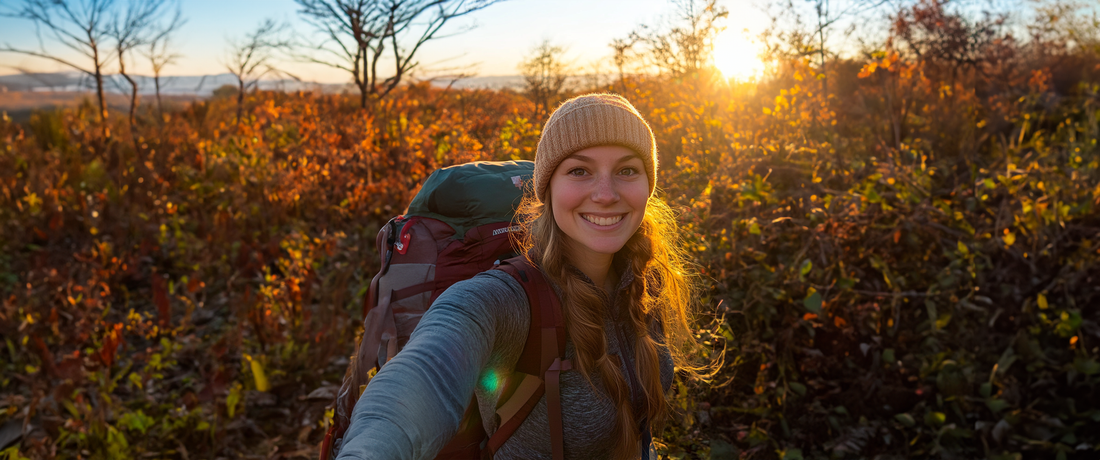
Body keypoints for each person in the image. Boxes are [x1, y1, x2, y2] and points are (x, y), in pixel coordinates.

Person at [336, 94, 701, 460]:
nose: (605, 194)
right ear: (548, 187)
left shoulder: (643, 279)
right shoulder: (504, 300)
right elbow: (423, 376)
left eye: (626, 170)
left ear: (647, 184)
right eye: (579, 171)